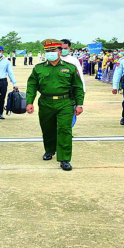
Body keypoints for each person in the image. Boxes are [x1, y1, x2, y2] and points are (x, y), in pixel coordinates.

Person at [25, 39, 85, 171]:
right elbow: (32, 86)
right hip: (46, 102)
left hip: (65, 103)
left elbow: (78, 87)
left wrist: (79, 104)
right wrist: (29, 102)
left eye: (53, 50)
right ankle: (49, 150)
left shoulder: (70, 67)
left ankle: (64, 159)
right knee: (47, 128)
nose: (50, 53)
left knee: (64, 130)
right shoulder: (39, 68)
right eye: (47, 51)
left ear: (60, 51)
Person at [58, 39, 89, 126]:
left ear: (69, 48)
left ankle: (68, 129)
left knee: (71, 111)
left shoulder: (74, 60)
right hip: (58, 90)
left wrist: (83, 89)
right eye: (61, 48)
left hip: (71, 91)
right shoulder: (55, 59)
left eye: (65, 48)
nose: (63, 50)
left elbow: (80, 77)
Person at [0, 46, 18, 121]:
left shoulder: (7, 61)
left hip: (3, 81)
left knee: (2, 98)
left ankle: (0, 113)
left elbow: (10, 73)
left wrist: (14, 83)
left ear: (2, 51)